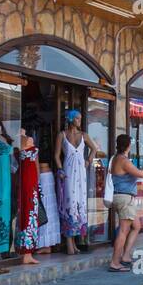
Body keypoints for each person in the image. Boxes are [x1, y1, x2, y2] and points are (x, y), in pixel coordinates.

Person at [108, 133, 143, 273]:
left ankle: (125, 256)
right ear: (128, 145)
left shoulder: (116, 158)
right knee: (123, 230)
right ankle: (115, 262)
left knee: (136, 226)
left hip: (122, 197)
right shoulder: (123, 160)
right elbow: (140, 174)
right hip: (124, 198)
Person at [54, 109, 94, 255]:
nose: (79, 121)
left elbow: (94, 148)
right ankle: (69, 243)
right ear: (71, 119)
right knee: (69, 204)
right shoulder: (62, 135)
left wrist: (89, 160)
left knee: (79, 204)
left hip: (81, 175)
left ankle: (75, 243)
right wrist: (60, 170)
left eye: (80, 118)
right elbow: (57, 155)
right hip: (68, 173)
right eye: (77, 118)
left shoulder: (83, 135)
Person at [15, 127, 41, 265]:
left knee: (26, 213)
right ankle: (27, 253)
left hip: (23, 180)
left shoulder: (15, 142)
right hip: (30, 181)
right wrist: (38, 183)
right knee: (30, 213)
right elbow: (36, 166)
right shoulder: (28, 140)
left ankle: (25, 251)